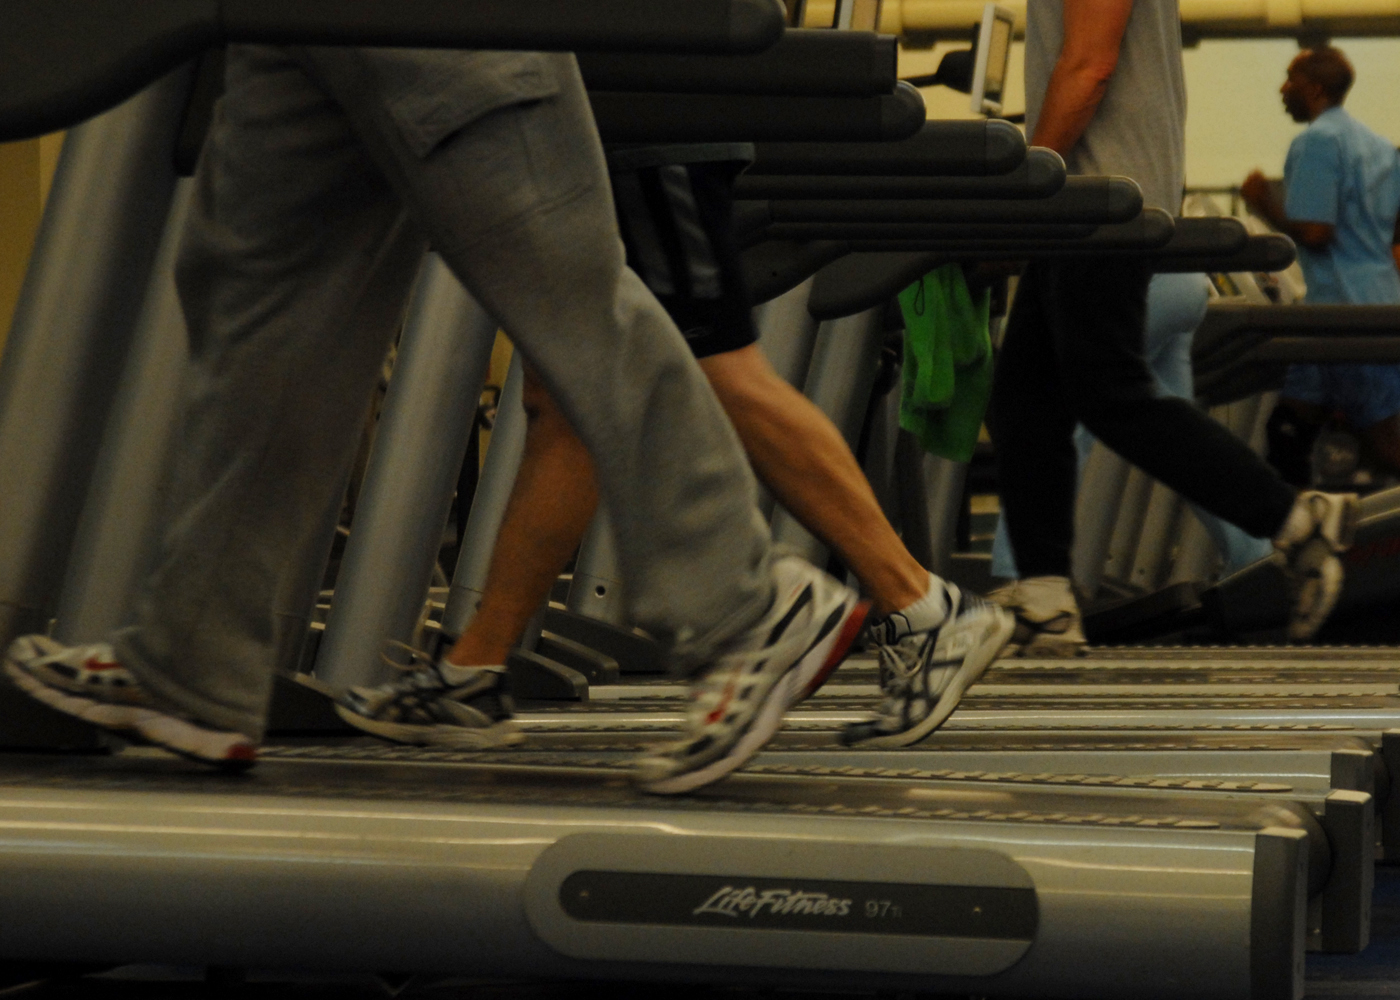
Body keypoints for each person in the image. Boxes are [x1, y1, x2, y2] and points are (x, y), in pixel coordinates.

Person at [1, 46, 876, 795]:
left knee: (559, 280)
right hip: (292, 31)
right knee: (262, 308)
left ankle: (744, 607)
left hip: (436, 29)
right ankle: (195, 656)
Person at [336, 146, 1014, 757]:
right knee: (565, 393)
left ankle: (918, 602)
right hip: (597, 139)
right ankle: (474, 671)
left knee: (717, 367)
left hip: (651, 141)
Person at [985, 0, 1358, 656]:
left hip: (1101, 197)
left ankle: (1297, 520)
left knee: (1110, 394)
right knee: (1025, 399)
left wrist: (1028, 180)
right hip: (1090, 197)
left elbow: (1089, 66)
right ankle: (1042, 597)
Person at [989, 272, 1274, 600]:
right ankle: (1256, 559)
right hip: (1181, 280)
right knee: (1175, 435)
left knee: (1066, 416)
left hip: (1145, 284)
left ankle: (1020, 575)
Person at [1240, 45, 1400, 484]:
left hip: (1344, 314)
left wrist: (1262, 203)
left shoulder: (1317, 142)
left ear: (1313, 89)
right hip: (1367, 303)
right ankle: (1291, 518)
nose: (1282, 89)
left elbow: (1315, 232)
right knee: (1289, 426)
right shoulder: (1380, 147)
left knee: (1386, 443)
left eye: (1290, 79)